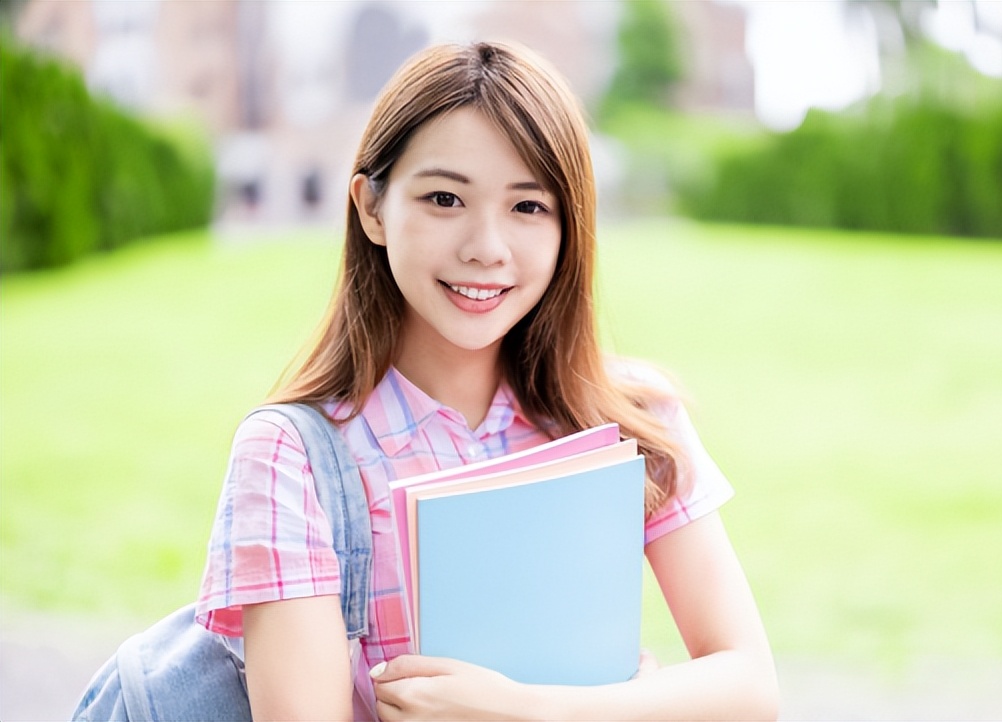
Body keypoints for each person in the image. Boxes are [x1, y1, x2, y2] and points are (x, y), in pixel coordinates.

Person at [196, 41, 778, 721]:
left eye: (528, 207)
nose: (486, 247)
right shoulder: (292, 456)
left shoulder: (631, 417)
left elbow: (747, 686)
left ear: (571, 227)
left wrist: (532, 710)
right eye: (445, 198)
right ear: (372, 208)